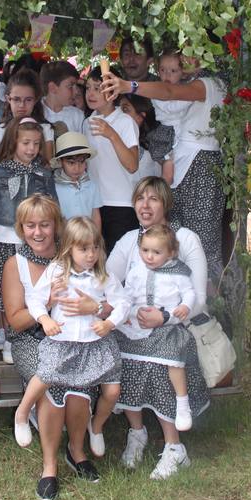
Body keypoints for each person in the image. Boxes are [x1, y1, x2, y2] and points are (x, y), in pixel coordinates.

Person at [3, 195, 105, 500]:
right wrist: (47, 303)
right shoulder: (15, 264)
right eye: (30, 225)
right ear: (21, 229)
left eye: (45, 225)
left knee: (79, 380)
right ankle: (49, 467)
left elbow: (107, 296)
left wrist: (95, 306)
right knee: (52, 380)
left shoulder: (77, 254)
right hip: (31, 339)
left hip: (74, 338)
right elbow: (16, 321)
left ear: (56, 226)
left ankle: (77, 451)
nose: (38, 232)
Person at [106, 176, 209, 479]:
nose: (145, 205)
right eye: (140, 198)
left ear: (165, 204)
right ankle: (137, 432)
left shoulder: (185, 239)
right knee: (117, 356)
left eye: (153, 199)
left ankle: (175, 448)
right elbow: (108, 281)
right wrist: (116, 309)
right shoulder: (129, 240)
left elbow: (199, 299)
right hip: (135, 324)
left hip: (175, 325)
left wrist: (165, 317)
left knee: (160, 361)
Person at [102, 57, 227, 296]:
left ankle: (208, 310)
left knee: (203, 243)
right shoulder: (191, 84)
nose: (188, 59)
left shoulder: (209, 84)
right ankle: (175, 299)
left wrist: (129, 86)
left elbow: (169, 91)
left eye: (193, 53)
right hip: (181, 166)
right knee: (175, 237)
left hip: (201, 168)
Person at [14, 217, 129, 456]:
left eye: (95, 248)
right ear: (69, 248)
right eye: (84, 249)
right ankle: (22, 413)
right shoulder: (56, 272)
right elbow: (34, 299)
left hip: (96, 342)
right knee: (46, 374)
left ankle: (96, 426)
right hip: (63, 340)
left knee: (112, 391)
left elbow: (123, 303)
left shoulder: (102, 275)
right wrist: (45, 319)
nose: (91, 255)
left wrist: (109, 322)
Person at [0, 117, 57, 363]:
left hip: (34, 241)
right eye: (26, 143)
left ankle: (28, 332)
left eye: (36, 144)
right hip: (4, 238)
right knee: (5, 289)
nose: (31, 149)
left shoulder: (43, 173)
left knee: (32, 288)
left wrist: (55, 236)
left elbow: (53, 206)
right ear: (14, 141)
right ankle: (7, 332)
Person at [118, 224, 196, 432]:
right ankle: (131, 417)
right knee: (122, 353)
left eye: (156, 252)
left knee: (173, 356)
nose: (149, 257)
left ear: (171, 253)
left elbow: (189, 292)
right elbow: (126, 295)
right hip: (138, 321)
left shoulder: (178, 272)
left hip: (167, 323)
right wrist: (125, 314)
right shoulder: (136, 271)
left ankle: (182, 402)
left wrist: (184, 306)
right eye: (145, 251)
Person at [82, 66, 139, 254]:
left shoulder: (125, 122)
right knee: (96, 260)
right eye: (88, 87)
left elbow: (132, 165)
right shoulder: (87, 122)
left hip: (121, 204)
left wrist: (112, 135)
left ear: (113, 91)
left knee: (119, 262)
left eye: (97, 88)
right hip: (94, 204)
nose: (90, 93)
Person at [146, 50, 193, 186]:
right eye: (163, 70)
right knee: (168, 173)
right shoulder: (158, 91)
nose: (167, 75)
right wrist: (191, 97)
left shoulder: (185, 88)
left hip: (181, 132)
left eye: (173, 71)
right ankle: (163, 197)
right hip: (168, 134)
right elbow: (172, 108)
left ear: (183, 73)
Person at [0, 68, 54, 165]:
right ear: (8, 99)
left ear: (35, 100)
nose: (22, 105)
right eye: (16, 99)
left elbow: (47, 167)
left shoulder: (45, 129)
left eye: (28, 100)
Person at [51, 132, 102, 230]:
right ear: (60, 162)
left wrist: (97, 239)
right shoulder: (53, 187)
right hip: (65, 239)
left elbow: (95, 215)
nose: (77, 168)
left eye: (81, 162)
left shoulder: (91, 185)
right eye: (71, 163)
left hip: (88, 237)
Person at [119, 94, 161, 183]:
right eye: (118, 109)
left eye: (125, 109)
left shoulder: (151, 156)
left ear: (140, 117)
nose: (119, 114)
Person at [40, 60, 85, 133]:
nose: (76, 91)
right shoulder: (36, 112)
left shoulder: (77, 116)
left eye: (76, 86)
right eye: (70, 86)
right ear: (52, 88)